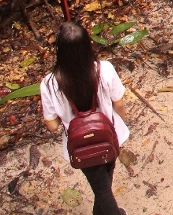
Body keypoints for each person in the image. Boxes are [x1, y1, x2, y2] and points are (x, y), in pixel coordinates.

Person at [41, 22, 130, 215]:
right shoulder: (104, 69)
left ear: (59, 50)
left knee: (101, 185)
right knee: (104, 185)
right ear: (87, 45)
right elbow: (119, 103)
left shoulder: (49, 83)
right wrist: (122, 121)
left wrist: (61, 118)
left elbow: (52, 125)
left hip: (79, 143)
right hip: (109, 134)